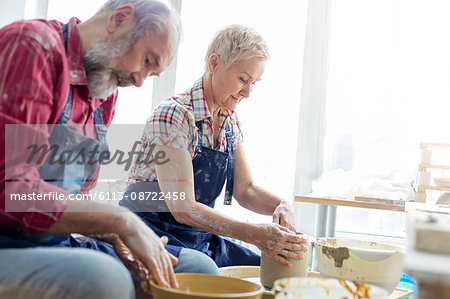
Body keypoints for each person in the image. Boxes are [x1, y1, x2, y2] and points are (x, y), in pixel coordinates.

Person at [0, 1, 217, 298]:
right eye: (146, 60)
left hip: (53, 241)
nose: (140, 81)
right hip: (7, 242)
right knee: (107, 279)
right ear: (119, 19)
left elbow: (76, 199)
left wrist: (118, 238)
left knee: (196, 268)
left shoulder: (103, 93)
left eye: (151, 74)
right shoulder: (33, 46)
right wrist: (121, 221)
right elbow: (12, 192)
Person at [121, 24, 308, 272]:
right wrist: (255, 234)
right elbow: (183, 208)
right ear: (214, 64)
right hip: (148, 231)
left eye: (255, 83)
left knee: (277, 267)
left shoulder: (230, 122)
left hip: (195, 235)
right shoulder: (174, 115)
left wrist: (282, 204)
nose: (248, 93)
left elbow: (246, 190)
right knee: (203, 268)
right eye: (243, 79)